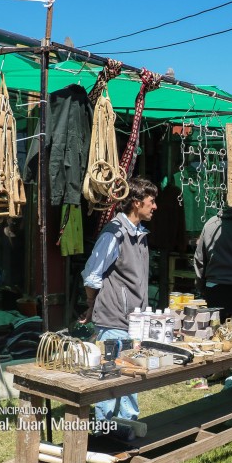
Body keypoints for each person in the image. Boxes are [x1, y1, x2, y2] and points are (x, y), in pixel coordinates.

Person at [80, 177, 158, 436]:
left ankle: (127, 435)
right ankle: (104, 437)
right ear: (136, 203)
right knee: (111, 383)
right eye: (151, 201)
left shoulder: (139, 234)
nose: (155, 206)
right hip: (114, 321)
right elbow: (92, 274)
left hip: (133, 322)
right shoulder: (114, 233)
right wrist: (92, 305)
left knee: (130, 380)